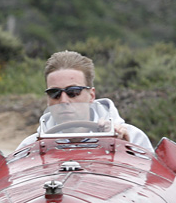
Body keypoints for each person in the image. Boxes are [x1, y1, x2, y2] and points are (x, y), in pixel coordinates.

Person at [16, 50, 153, 150]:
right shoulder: (30, 146)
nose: (64, 100)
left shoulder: (134, 138)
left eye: (73, 92)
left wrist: (124, 147)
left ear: (91, 95)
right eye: (54, 93)